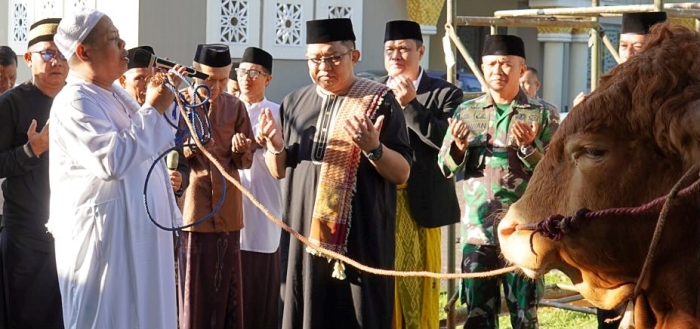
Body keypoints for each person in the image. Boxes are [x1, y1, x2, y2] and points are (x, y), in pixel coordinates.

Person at [258, 18, 412, 329]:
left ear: (353, 57)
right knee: (306, 311)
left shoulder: (380, 101)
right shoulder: (294, 103)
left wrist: (374, 148)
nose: (324, 66)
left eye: (333, 57)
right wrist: (274, 144)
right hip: (303, 237)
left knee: (358, 315)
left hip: (360, 240)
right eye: (315, 59)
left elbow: (403, 173)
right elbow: (278, 170)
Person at [47, 8, 186, 329]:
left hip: (141, 235)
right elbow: (112, 160)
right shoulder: (74, 101)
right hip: (106, 246)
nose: (124, 44)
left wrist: (162, 104)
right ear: (83, 51)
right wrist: (154, 107)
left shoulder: (116, 95)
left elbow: (151, 146)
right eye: (112, 39)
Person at [437, 34, 559, 329]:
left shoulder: (542, 114)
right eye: (491, 64)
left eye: (506, 64)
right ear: (482, 66)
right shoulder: (468, 112)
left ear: (521, 68)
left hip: (524, 232)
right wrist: (458, 148)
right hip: (478, 235)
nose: (497, 71)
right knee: (477, 317)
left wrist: (529, 147)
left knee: (524, 318)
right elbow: (444, 166)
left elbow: (556, 173)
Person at [379, 20, 461, 329]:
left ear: (421, 51)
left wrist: (411, 105)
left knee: (418, 288)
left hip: (421, 203)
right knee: (382, 280)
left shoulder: (445, 94)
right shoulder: (371, 89)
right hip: (380, 200)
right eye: (390, 49)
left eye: (404, 49)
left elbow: (447, 142)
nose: (396, 55)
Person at [177, 43, 254, 329]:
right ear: (194, 74)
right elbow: (168, 152)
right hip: (193, 212)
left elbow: (247, 160)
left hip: (229, 211)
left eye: (223, 78)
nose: (217, 85)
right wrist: (190, 147)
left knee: (227, 290)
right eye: (210, 78)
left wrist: (241, 149)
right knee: (193, 291)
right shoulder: (179, 103)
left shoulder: (236, 107)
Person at [0, 18, 67, 329]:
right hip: (27, 234)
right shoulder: (11, 104)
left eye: (64, 53)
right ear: (29, 58)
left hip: (72, 233)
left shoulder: (78, 101)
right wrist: (31, 151)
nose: (57, 62)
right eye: (48, 54)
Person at [235, 46, 282, 329]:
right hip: (230, 211)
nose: (247, 78)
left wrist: (268, 144)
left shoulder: (278, 113)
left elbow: (282, 163)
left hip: (264, 209)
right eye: (242, 72)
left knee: (261, 296)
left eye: (255, 73)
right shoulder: (226, 107)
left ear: (268, 79)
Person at [120, 45, 189, 196]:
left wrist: (180, 179)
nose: (146, 84)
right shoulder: (117, 114)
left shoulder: (167, 112)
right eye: (139, 78)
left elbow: (180, 159)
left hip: (162, 199)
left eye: (150, 78)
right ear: (123, 81)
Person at [574, 11, 667, 106]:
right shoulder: (610, 85)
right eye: (623, 46)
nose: (628, 54)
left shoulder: (669, 88)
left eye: (637, 47)